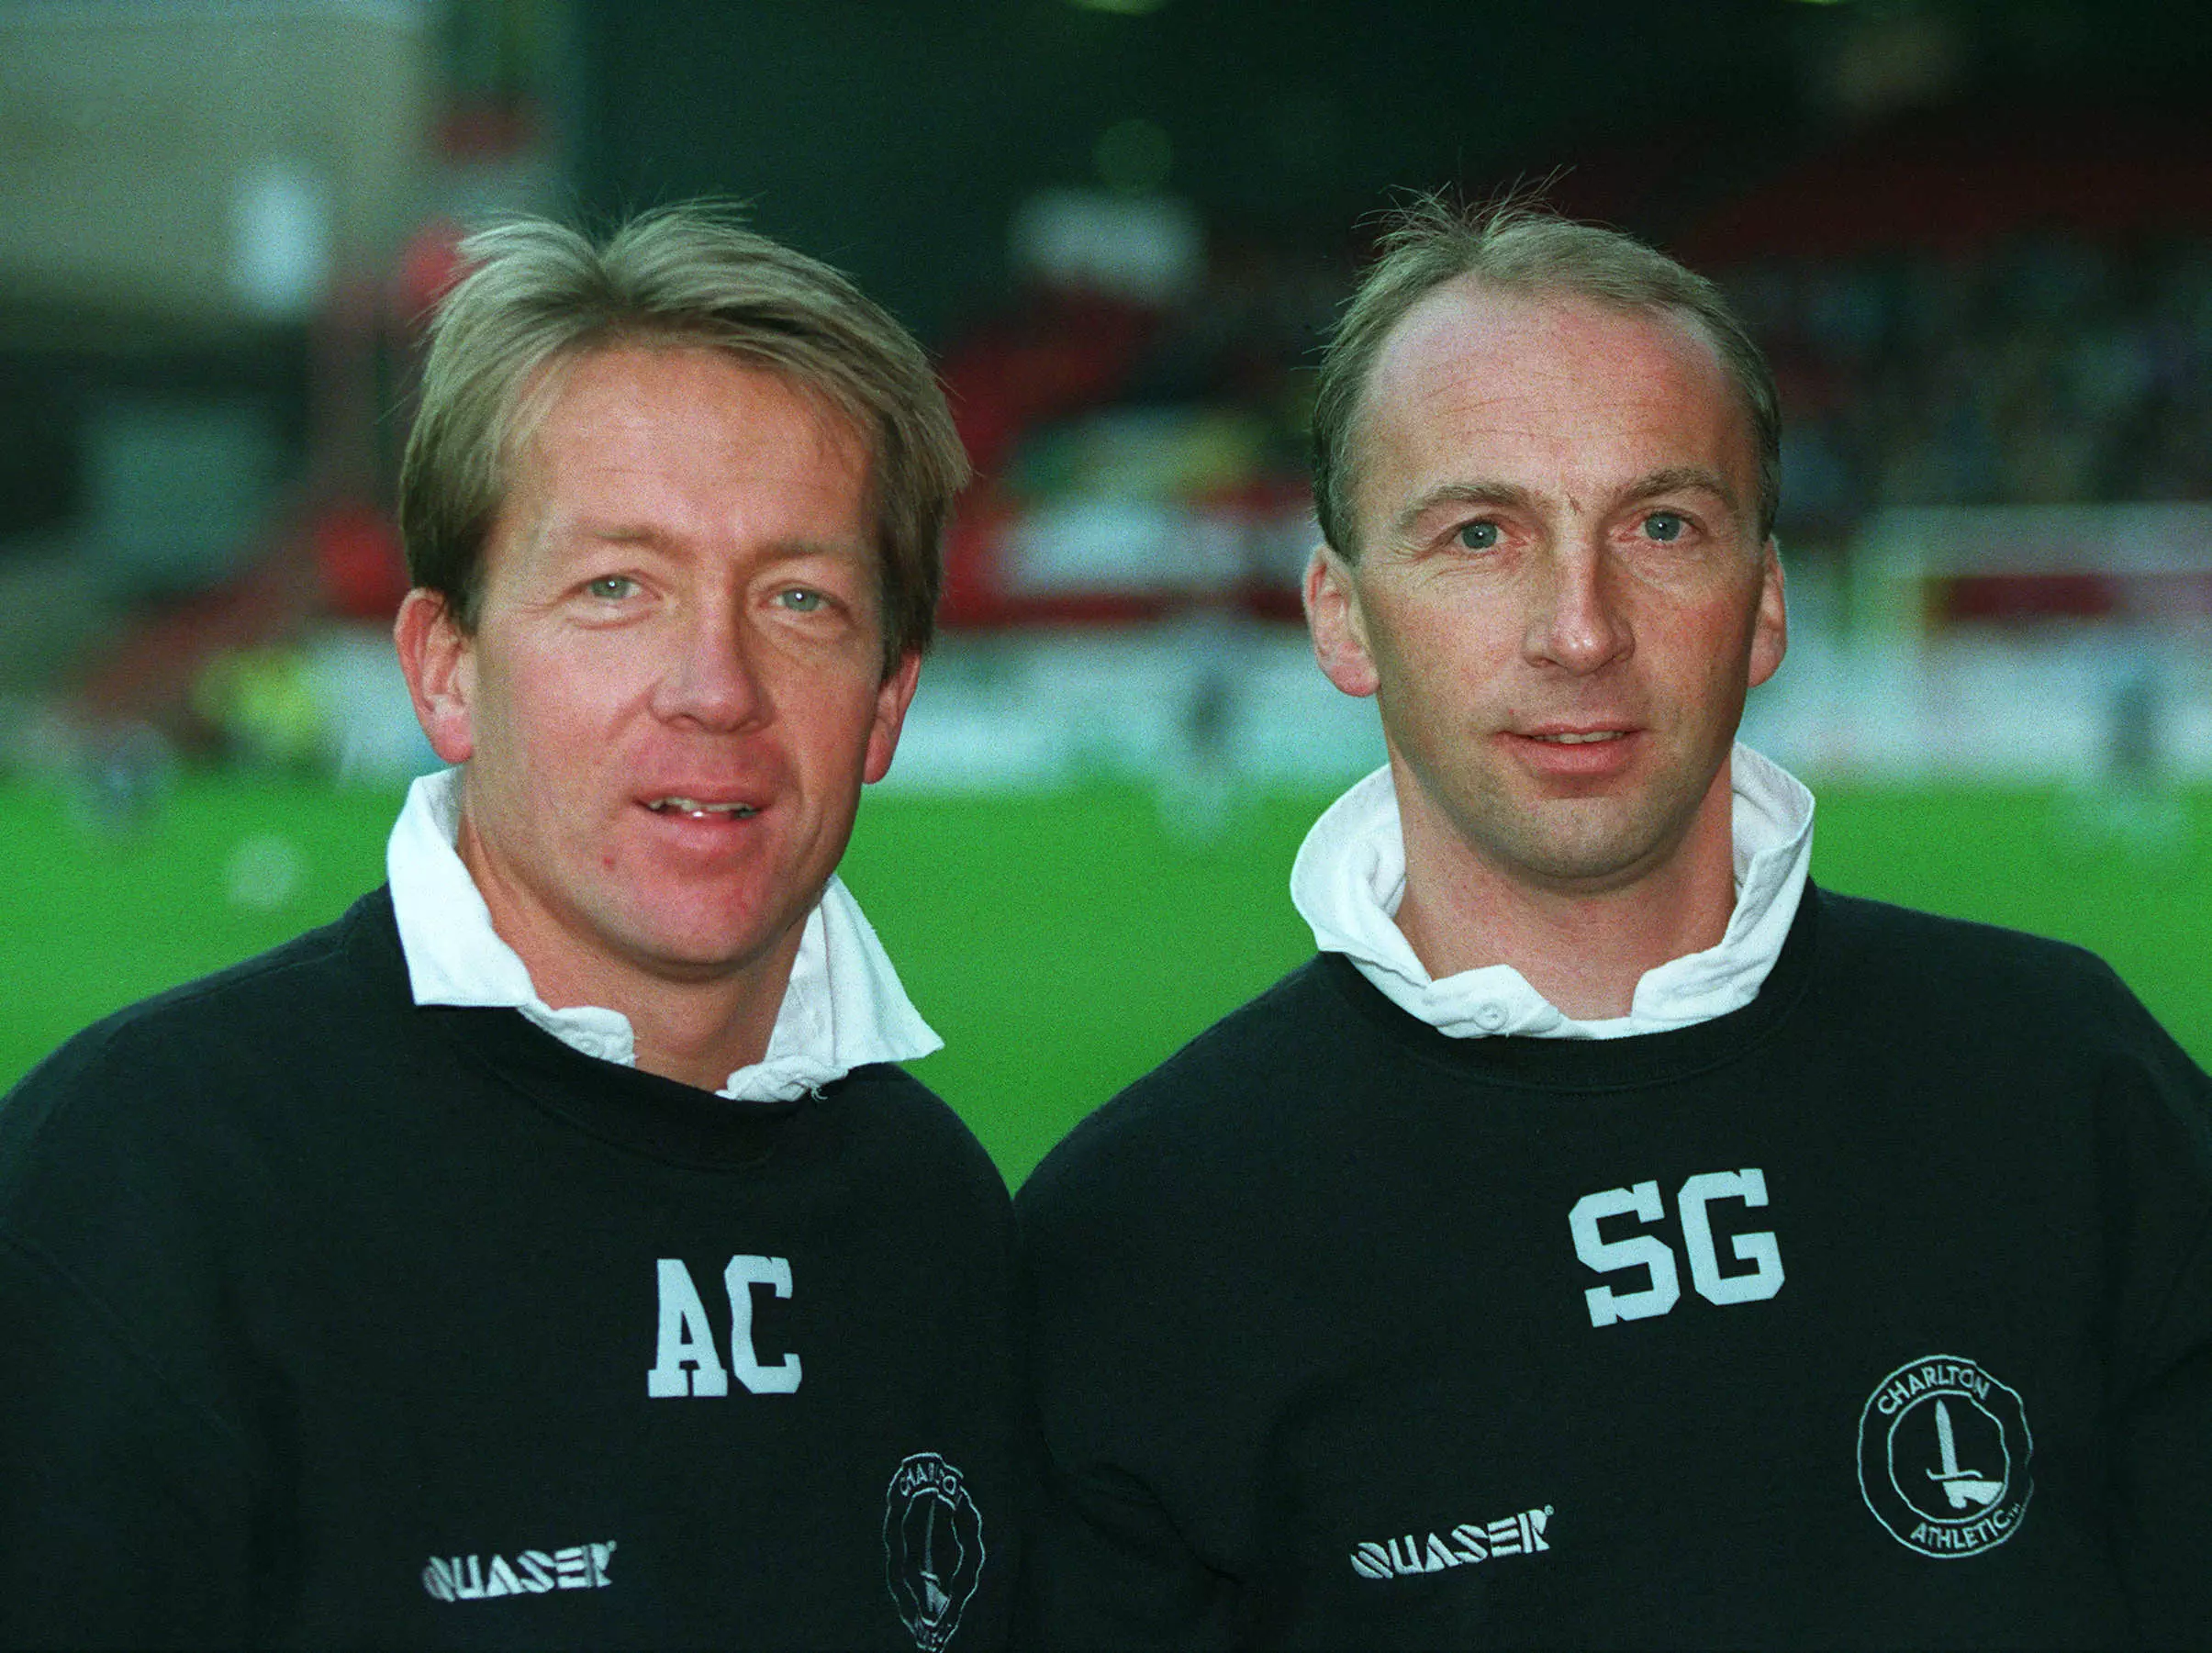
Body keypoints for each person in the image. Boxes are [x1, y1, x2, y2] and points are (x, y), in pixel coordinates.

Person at [1015, 198, 2212, 1648]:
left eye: (1659, 524)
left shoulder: (2074, 1088)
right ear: (1339, 614)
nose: (1577, 627)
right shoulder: (1131, 1238)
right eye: (1477, 533)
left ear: (1763, 603)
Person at [0, 206, 1020, 1651]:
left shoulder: (937, 1218)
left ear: (888, 705)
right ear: (448, 668)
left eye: (800, 599)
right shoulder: (135, 1186)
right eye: (618, 588)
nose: (714, 686)